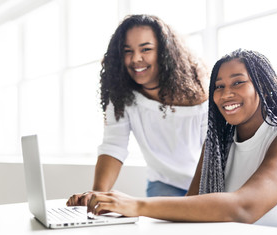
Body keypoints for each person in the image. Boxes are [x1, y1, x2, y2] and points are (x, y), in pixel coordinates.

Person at [71, 49, 277, 232]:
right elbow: (190, 207)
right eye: (218, 86)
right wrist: (113, 207)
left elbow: (244, 208)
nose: (226, 93)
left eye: (238, 82)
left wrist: (135, 204)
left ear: (266, 88)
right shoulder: (217, 144)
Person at [67, 14, 209, 202]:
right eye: (127, 51)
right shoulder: (121, 96)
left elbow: (210, 153)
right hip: (163, 183)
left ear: (165, 52)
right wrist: (96, 194)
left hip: (207, 182)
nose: (136, 59)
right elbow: (113, 146)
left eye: (146, 49)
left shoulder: (200, 91)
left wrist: (189, 203)